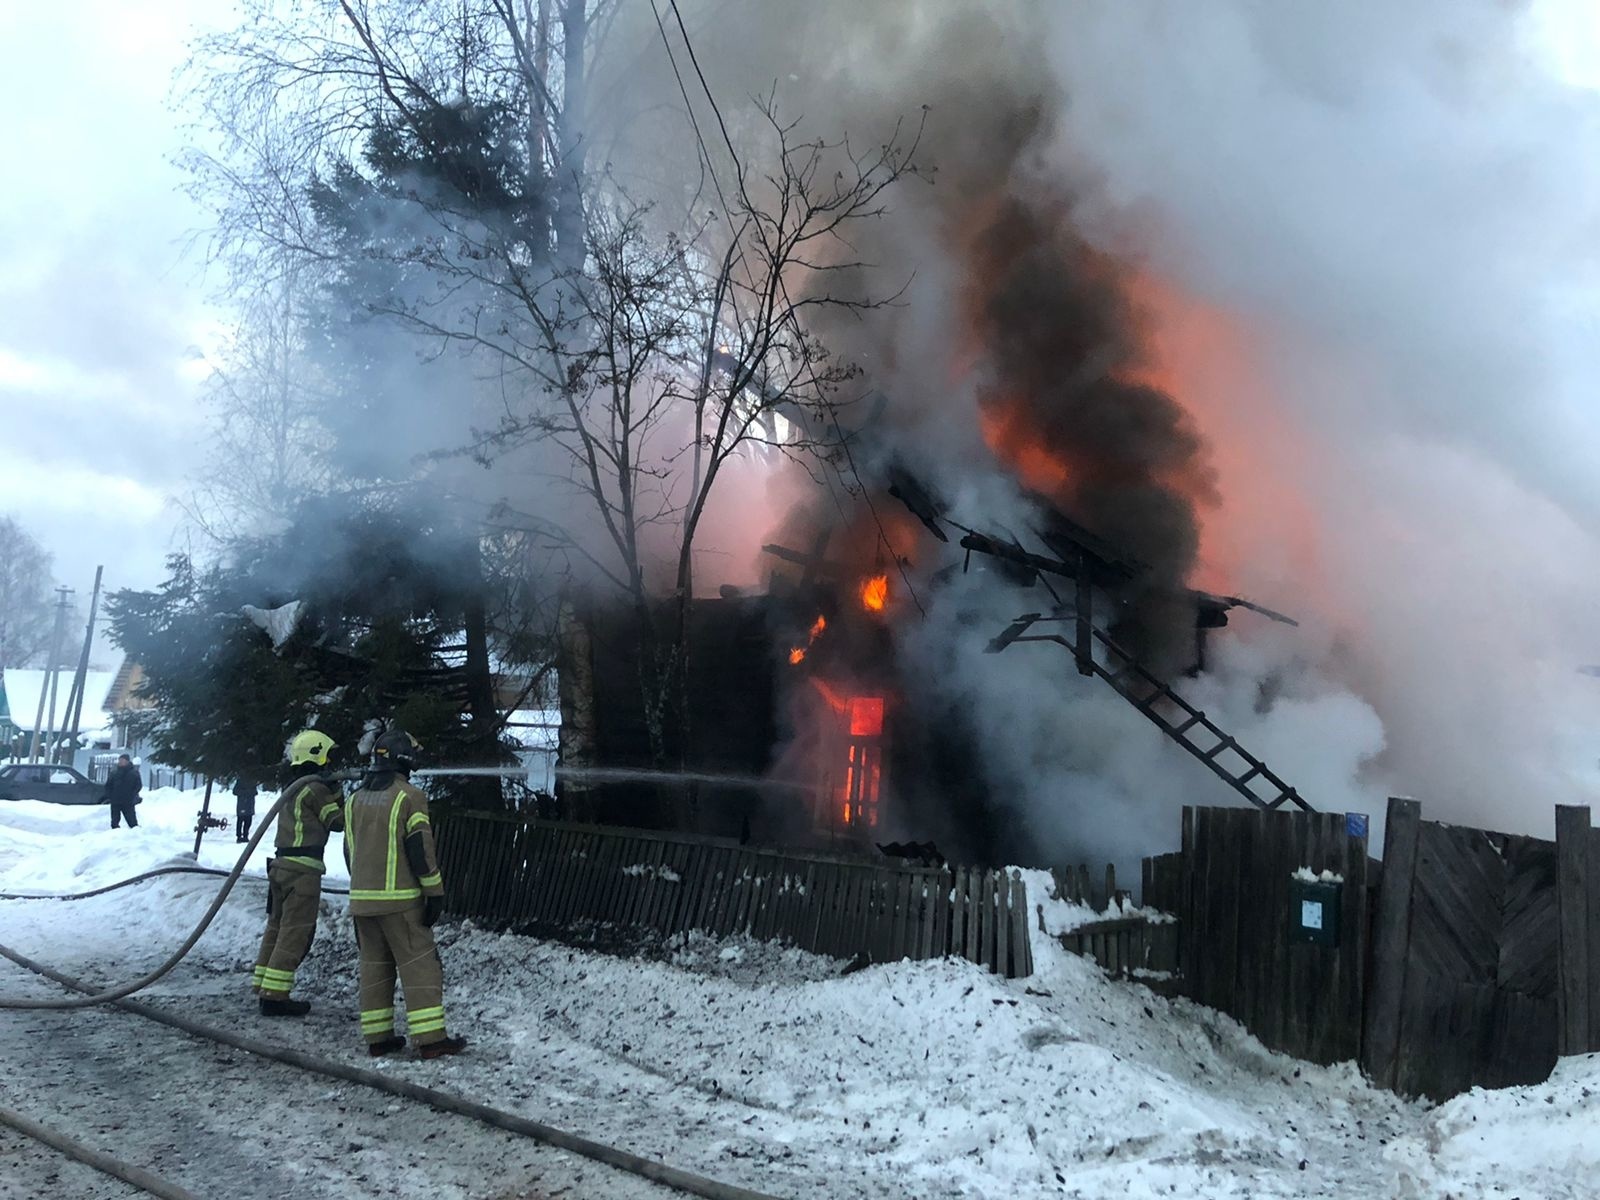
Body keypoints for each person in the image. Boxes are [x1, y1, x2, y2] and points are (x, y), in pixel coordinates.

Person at [345, 729, 465, 1059]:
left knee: (374, 966)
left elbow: (348, 851)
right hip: (401, 902)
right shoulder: (409, 796)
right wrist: (434, 893)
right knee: (420, 967)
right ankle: (431, 1040)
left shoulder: (355, 799)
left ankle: (378, 1037)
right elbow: (420, 850)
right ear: (405, 758)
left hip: (362, 903)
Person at [252, 730, 344, 1017]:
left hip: (281, 867)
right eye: (328, 757)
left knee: (277, 927)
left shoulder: (294, 787)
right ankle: (275, 996)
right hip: (302, 870)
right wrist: (339, 791)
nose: (331, 763)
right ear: (317, 756)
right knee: (295, 933)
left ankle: (263, 983)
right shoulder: (315, 790)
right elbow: (337, 822)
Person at [103, 754, 142, 830]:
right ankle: (115, 833)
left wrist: (131, 794)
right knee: (115, 820)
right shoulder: (114, 773)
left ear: (127, 761)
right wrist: (110, 795)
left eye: (122, 760)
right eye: (119, 760)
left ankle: (136, 833)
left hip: (128, 801)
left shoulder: (133, 773)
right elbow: (108, 785)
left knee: (132, 820)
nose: (120, 762)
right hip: (115, 800)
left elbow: (138, 785)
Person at [233, 775, 259, 844]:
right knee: (240, 820)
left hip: (249, 805)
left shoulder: (252, 781)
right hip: (242, 804)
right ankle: (239, 836)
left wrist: (250, 793)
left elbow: (255, 792)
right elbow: (235, 791)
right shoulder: (240, 781)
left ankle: (245, 836)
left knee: (248, 821)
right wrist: (245, 793)